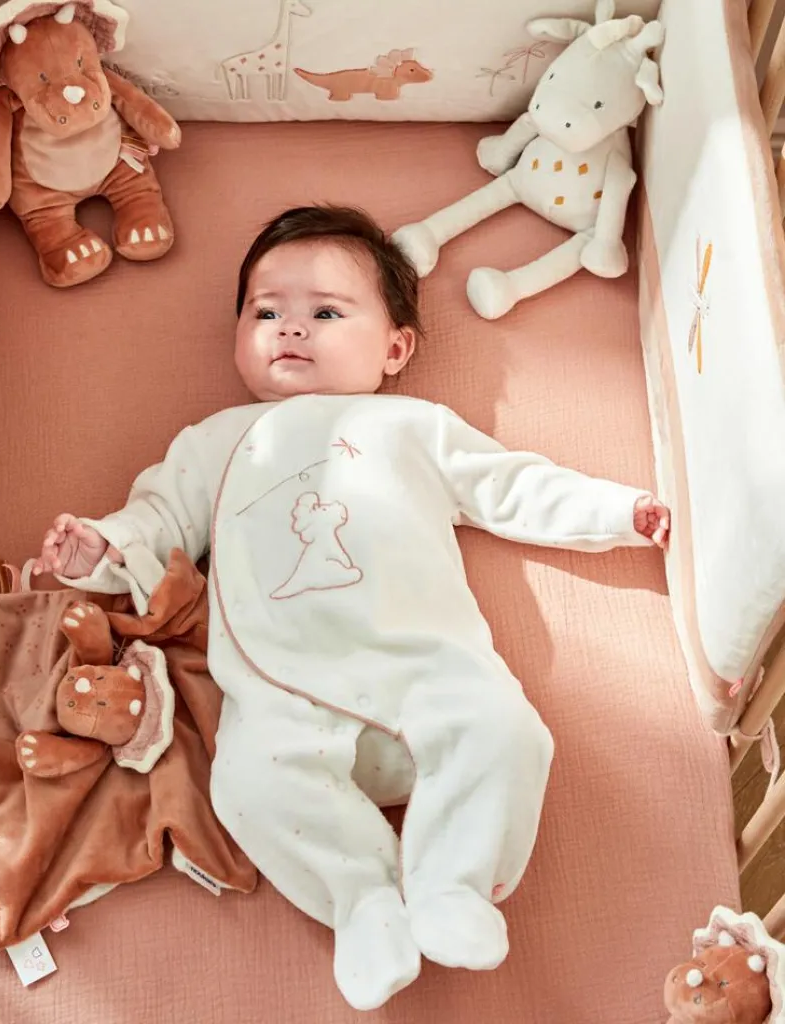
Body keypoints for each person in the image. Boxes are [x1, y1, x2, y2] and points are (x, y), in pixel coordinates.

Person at [33, 205, 671, 1011]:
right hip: (283, 694)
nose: (291, 329)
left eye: (327, 313)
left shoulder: (411, 426)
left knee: (507, 732)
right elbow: (157, 523)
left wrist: (617, 513)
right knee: (246, 786)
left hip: (423, 669)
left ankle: (450, 884)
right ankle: (363, 903)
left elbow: (509, 484)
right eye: (266, 313)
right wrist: (100, 547)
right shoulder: (215, 441)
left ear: (395, 348)